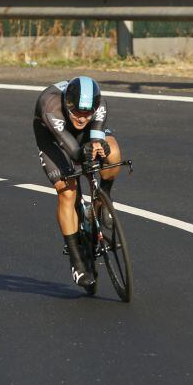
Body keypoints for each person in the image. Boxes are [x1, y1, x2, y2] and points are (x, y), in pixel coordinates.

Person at [33, 76, 122, 288]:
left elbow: (96, 136)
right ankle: (76, 261)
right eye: (77, 113)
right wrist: (84, 153)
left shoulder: (100, 105)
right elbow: (74, 152)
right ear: (67, 104)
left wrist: (100, 146)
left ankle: (105, 197)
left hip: (80, 136)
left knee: (114, 154)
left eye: (87, 113)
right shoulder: (50, 107)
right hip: (53, 136)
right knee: (67, 190)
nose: (82, 118)